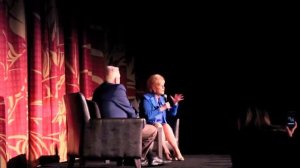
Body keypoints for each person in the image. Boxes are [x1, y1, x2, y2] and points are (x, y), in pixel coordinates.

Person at [92, 66, 164, 166]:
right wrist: (138, 119)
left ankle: (136, 156)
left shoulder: (97, 91)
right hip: (120, 129)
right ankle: (137, 158)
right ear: (117, 78)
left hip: (103, 131)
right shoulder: (118, 88)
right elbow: (131, 112)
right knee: (152, 130)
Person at [142, 74, 184, 161]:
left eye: (163, 85)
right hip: (151, 125)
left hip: (162, 124)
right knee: (159, 125)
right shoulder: (146, 99)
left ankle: (177, 151)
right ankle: (165, 151)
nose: (163, 88)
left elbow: (172, 115)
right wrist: (162, 108)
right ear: (153, 87)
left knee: (166, 126)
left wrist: (175, 104)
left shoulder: (161, 98)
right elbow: (148, 116)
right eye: (161, 85)